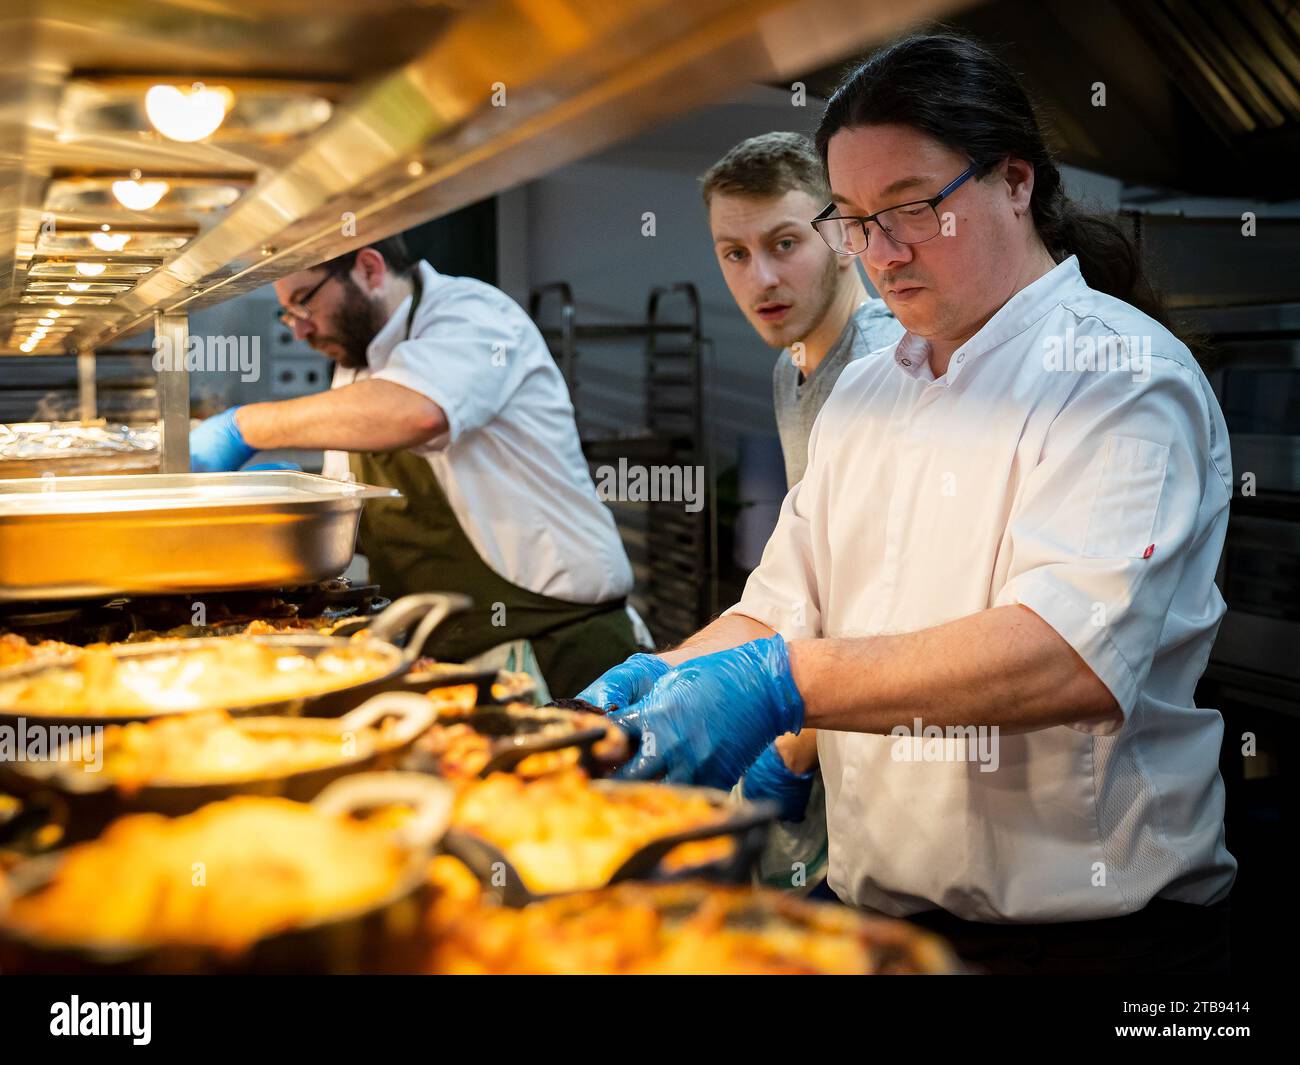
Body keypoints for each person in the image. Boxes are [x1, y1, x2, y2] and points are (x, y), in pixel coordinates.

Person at [579, 34, 1235, 972]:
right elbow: (778, 605)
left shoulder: (1118, 375)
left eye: (913, 209)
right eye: (851, 219)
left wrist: (780, 686)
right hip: (879, 917)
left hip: (1092, 942)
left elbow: (1066, 657)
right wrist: (642, 693)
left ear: (1015, 181)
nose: (879, 253)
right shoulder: (871, 388)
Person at [189, 236, 643, 698]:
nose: (300, 330)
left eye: (304, 303)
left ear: (368, 269)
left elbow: (416, 410)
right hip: (448, 658)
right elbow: (366, 508)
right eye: (288, 314)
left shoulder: (475, 314)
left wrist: (240, 426)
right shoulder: (357, 355)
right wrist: (291, 506)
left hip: (555, 652)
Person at [699, 132, 901, 885]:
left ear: (845, 236)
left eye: (786, 243)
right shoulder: (793, 368)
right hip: (825, 707)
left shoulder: (885, 367)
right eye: (735, 253)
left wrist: (790, 743)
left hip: (875, 717)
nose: (762, 278)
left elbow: (881, 598)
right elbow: (808, 569)